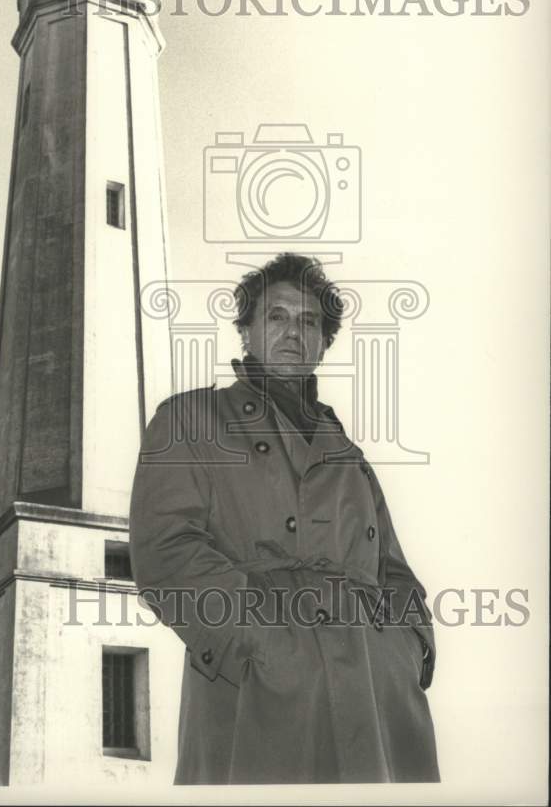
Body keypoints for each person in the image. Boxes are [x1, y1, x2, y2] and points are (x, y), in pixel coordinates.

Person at [129, 253, 439, 785]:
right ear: (245, 331)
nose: (294, 331)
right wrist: (265, 645)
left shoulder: (350, 456)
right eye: (276, 316)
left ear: (324, 342)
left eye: (309, 321)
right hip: (259, 693)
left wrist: (408, 648)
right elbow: (167, 550)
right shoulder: (189, 421)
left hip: (375, 698)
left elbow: (395, 570)